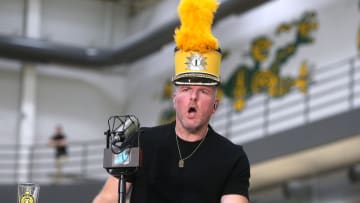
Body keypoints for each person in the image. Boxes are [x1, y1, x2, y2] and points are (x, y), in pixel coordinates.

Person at [93, 0, 250, 202]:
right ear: (175, 99)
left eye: (203, 91)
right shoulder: (140, 142)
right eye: (186, 89)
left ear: (215, 106)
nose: (193, 96)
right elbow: (108, 197)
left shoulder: (232, 157)